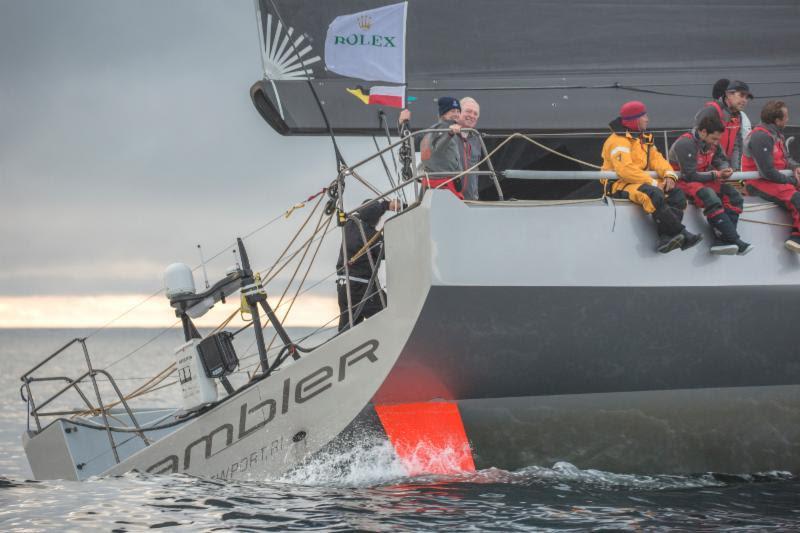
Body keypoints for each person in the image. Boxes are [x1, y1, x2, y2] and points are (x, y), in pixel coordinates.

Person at [602, 101, 702, 253]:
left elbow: (657, 159)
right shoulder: (617, 141)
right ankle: (683, 234)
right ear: (635, 120)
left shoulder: (644, 138)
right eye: (644, 116)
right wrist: (654, 183)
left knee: (677, 195)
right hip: (620, 185)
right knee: (653, 194)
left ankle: (666, 238)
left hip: (639, 181)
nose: (647, 119)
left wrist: (669, 175)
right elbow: (625, 171)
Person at [668, 114, 753, 255]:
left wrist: (725, 168)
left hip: (703, 179)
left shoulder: (713, 142)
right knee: (710, 196)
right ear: (702, 132)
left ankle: (723, 240)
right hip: (683, 182)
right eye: (714, 139)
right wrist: (715, 174)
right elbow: (688, 175)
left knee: (734, 196)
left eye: (718, 139)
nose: (715, 143)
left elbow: (720, 159)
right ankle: (734, 240)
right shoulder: (685, 143)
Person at [741, 100, 800, 252]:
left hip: (774, 180)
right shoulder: (761, 136)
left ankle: (796, 235)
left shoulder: (775, 134)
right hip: (759, 183)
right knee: (796, 198)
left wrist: (795, 167)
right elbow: (767, 171)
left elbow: (785, 159)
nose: (788, 119)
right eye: (786, 117)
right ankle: (797, 237)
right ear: (777, 120)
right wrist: (791, 181)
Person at [336, 198, 401, 331]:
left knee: (347, 334)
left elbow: (365, 211)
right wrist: (386, 205)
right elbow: (388, 253)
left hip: (343, 287)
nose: (378, 220)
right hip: (361, 288)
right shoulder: (369, 234)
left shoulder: (349, 225)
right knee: (393, 317)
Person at [695, 80, 754, 170]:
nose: (744, 100)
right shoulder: (712, 110)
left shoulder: (738, 116)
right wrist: (720, 168)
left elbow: (737, 145)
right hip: (708, 172)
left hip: (726, 171)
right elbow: (698, 140)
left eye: (747, 98)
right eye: (741, 95)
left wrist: (736, 172)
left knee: (742, 184)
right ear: (728, 94)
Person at [418, 96, 467, 199]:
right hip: (443, 185)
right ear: (443, 113)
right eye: (453, 111)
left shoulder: (431, 129)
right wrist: (450, 134)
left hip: (431, 184)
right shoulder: (445, 128)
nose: (457, 114)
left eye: (458, 111)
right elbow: (436, 150)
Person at [457, 97, 484, 200]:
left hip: (470, 200)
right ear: (458, 112)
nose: (472, 116)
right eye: (468, 111)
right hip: (448, 198)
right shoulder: (445, 133)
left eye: (475, 114)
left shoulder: (476, 138)